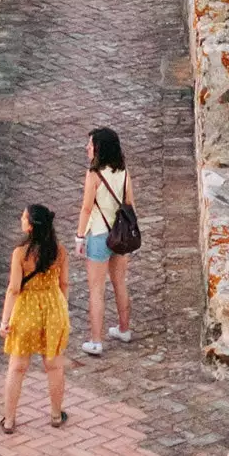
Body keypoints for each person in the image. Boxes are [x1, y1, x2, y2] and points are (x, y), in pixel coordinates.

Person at [0, 202, 70, 431]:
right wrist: (61, 308)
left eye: (24, 218)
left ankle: (9, 420)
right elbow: (64, 283)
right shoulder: (59, 250)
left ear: (30, 227)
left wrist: (5, 320)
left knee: (17, 366)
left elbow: (14, 289)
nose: (21, 220)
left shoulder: (20, 253)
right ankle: (56, 415)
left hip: (27, 309)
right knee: (54, 365)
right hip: (53, 307)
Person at [74, 127, 135, 356]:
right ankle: (124, 328)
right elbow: (130, 206)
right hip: (119, 236)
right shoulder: (125, 174)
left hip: (99, 235)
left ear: (99, 148)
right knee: (120, 283)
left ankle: (96, 340)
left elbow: (86, 208)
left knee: (96, 290)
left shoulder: (94, 175)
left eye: (90, 144)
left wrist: (80, 236)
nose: (87, 148)